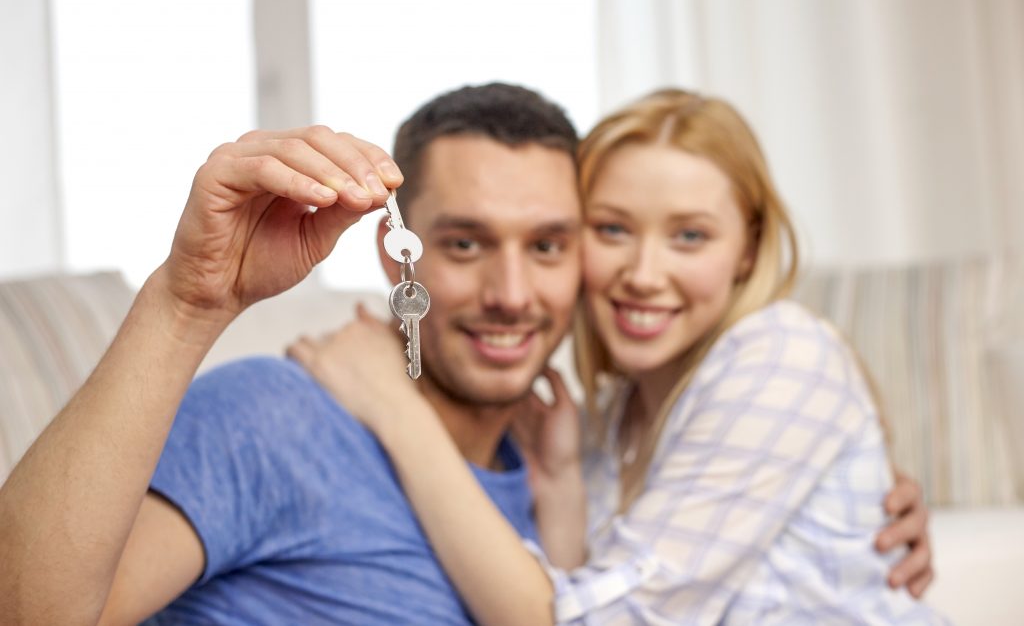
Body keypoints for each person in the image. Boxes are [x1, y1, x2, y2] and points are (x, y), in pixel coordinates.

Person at [0, 84, 930, 625]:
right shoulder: (279, 415)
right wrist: (185, 303)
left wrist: (850, 513)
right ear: (397, 251)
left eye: (550, 243)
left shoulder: (571, 480)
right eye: (464, 243)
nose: (513, 293)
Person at [288, 88, 944, 624]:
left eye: (689, 235)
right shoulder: (612, 413)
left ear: (748, 248)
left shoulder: (779, 353)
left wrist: (395, 409)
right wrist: (566, 481)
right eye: (612, 229)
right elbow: (580, 586)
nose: (643, 273)